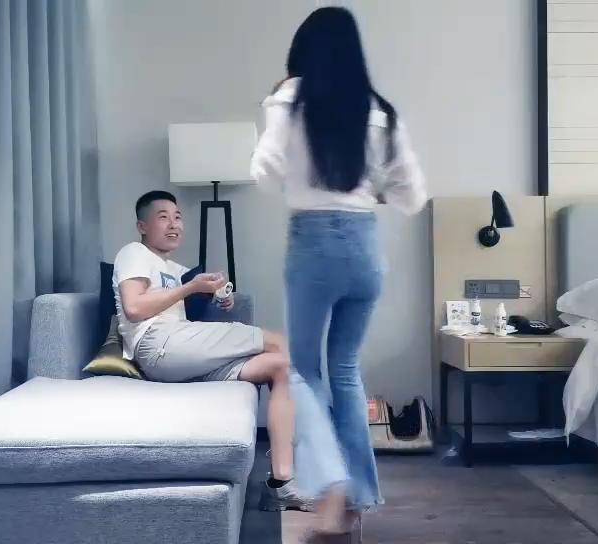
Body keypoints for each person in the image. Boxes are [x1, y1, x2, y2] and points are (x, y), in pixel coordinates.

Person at [251, 6, 428, 542]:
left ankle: (329, 484)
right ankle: (356, 498)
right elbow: (413, 196)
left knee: (302, 370)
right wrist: (369, 189)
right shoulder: (381, 112)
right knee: (346, 369)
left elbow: (264, 172)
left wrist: (276, 111)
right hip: (366, 246)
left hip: (314, 243)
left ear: (303, 52)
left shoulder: (291, 98)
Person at [113, 190, 309, 507]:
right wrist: (190, 287)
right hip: (159, 344)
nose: (174, 224)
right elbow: (134, 308)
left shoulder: (173, 268)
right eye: (163, 217)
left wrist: (219, 296)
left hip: (181, 354)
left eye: (178, 217)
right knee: (279, 341)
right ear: (142, 226)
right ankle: (324, 440)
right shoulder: (134, 253)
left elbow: (180, 300)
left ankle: (281, 484)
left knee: (280, 365)